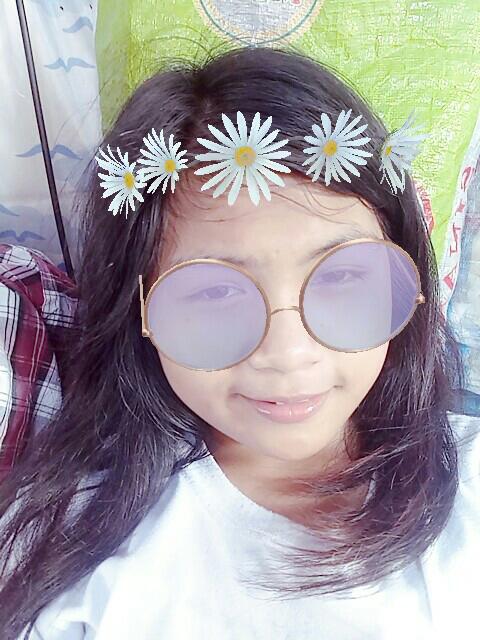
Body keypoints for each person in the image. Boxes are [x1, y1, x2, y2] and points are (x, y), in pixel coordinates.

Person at [0, 45, 479, 640]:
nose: (289, 353)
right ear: (138, 307)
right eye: (214, 292)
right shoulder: (63, 544)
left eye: (343, 276)